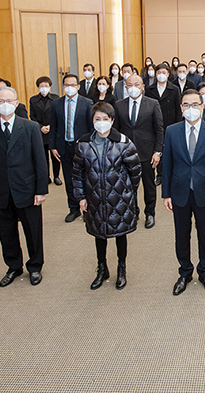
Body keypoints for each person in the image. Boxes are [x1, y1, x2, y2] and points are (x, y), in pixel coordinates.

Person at [0, 86, 48, 287]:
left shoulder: (30, 127)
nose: (5, 104)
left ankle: (35, 266)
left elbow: (40, 161)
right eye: (1, 101)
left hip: (26, 189)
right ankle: (14, 266)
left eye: (9, 101)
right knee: (6, 232)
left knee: (33, 231)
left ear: (16, 103)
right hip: (0, 190)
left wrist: (41, 190)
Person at [162, 89, 205, 296]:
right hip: (179, 191)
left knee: (204, 234)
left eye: (195, 104)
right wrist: (166, 194)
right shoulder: (171, 131)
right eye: (186, 105)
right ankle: (185, 272)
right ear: (181, 108)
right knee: (181, 234)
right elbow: (167, 164)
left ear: (203, 106)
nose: (191, 109)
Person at [73, 101, 141, 290]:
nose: (101, 122)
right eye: (97, 119)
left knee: (120, 234)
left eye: (105, 118)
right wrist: (81, 197)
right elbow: (77, 173)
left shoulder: (123, 142)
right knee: (98, 234)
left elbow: (135, 171)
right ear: (92, 121)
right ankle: (102, 269)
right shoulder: (83, 144)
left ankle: (121, 268)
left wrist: (127, 192)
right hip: (94, 198)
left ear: (112, 120)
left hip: (119, 199)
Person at [113, 74, 164, 229]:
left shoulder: (153, 104)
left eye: (136, 84)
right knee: (128, 187)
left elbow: (159, 130)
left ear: (142, 87)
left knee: (149, 186)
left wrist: (158, 152)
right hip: (125, 153)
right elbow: (116, 131)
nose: (133, 87)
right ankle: (133, 211)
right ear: (125, 87)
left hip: (147, 153)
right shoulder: (119, 105)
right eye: (130, 84)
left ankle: (150, 213)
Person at [49, 73, 94, 223]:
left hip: (82, 148)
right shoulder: (56, 104)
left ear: (78, 86)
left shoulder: (87, 103)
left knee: (86, 179)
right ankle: (73, 209)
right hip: (64, 147)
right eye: (67, 85)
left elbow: (91, 128)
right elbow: (53, 127)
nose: (70, 87)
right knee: (69, 180)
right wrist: (53, 146)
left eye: (73, 85)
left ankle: (88, 210)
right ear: (63, 86)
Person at [29, 76, 61, 186]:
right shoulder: (33, 100)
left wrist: (50, 126)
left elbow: (59, 115)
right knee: (43, 157)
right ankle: (46, 177)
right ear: (38, 87)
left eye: (46, 86)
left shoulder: (56, 98)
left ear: (50, 86)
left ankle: (56, 176)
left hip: (53, 130)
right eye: (41, 86)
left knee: (55, 156)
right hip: (40, 131)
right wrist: (41, 127)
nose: (44, 88)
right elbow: (32, 116)